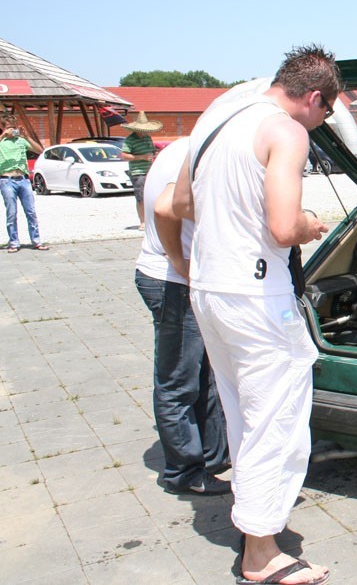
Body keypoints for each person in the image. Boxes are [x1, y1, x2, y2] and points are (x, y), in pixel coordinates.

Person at [172, 45, 335, 585]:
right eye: (327, 112)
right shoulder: (286, 131)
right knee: (277, 421)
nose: (322, 122)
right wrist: (311, 222)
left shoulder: (215, 120)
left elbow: (180, 203)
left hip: (210, 289)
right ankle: (261, 555)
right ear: (314, 97)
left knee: (242, 413)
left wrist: (231, 216)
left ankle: (255, 523)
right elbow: (284, 229)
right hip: (257, 295)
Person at [135, 138, 230, 496]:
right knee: (179, 381)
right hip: (172, 282)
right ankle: (184, 473)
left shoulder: (188, 145)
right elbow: (164, 208)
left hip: (178, 281)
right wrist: (178, 261)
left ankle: (212, 458)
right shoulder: (203, 151)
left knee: (203, 375)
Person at [1, 113, 48, 252]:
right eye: (9, 127)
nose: (12, 130)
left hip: (24, 180)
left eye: (14, 127)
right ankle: (14, 242)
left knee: (31, 212)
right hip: (7, 180)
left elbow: (40, 150)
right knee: (11, 213)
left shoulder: (21, 140)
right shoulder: (2, 141)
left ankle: (36, 241)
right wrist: (3, 135)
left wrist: (27, 137)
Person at [121, 111, 161, 230]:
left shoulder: (147, 137)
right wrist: (142, 157)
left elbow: (151, 151)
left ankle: (150, 220)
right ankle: (143, 221)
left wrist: (156, 153)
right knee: (141, 197)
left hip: (149, 170)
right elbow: (124, 155)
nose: (146, 131)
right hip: (138, 172)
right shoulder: (130, 140)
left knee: (151, 195)